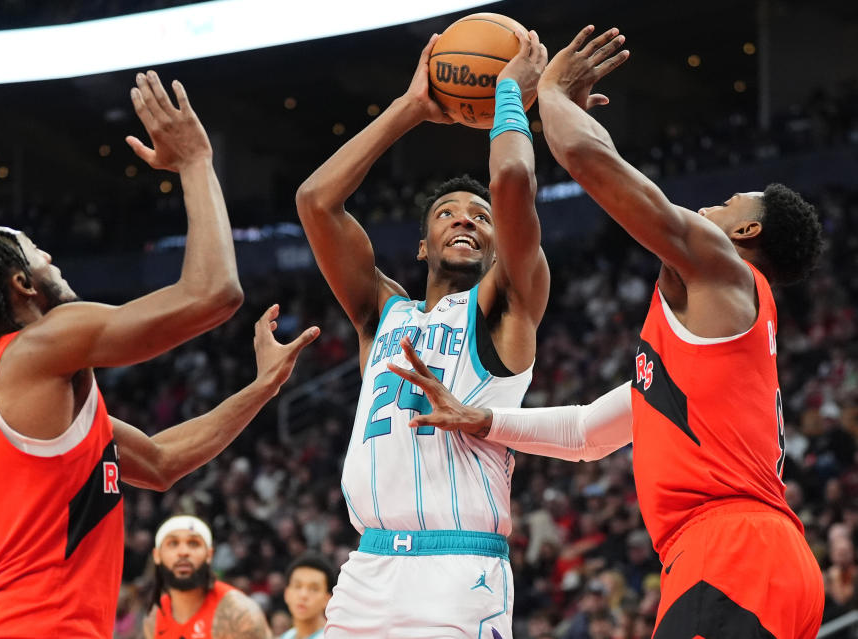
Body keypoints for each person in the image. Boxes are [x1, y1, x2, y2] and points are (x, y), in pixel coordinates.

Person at [388, 25, 826, 638]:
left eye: (728, 204)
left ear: (747, 235)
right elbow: (588, 432)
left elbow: (595, 165)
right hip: (758, 559)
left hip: (731, 554)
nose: (708, 209)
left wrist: (549, 97)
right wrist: (483, 421)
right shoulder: (715, 349)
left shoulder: (721, 267)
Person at [0, 71, 319, 638]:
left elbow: (161, 463)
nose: (53, 257)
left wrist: (262, 387)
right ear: (21, 284)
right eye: (39, 254)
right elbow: (213, 294)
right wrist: (195, 163)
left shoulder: (22, 388)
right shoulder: (41, 342)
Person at [296, 27, 622, 636]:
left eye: (479, 217)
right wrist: (411, 108)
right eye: (446, 215)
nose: (465, 221)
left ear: (501, 241)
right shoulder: (382, 313)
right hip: (366, 567)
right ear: (421, 247)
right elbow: (316, 201)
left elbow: (512, 186)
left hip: (456, 570)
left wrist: (509, 101)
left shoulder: (506, 306)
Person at [144, 516, 272, 639]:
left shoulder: (239, 613)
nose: (183, 552)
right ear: (157, 555)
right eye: (173, 543)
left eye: (193, 543)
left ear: (209, 554)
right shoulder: (154, 619)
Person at [280, 554, 335, 639]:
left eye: (314, 589)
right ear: (286, 593)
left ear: (327, 599)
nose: (303, 595)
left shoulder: (334, 636)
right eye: (297, 586)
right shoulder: (285, 636)